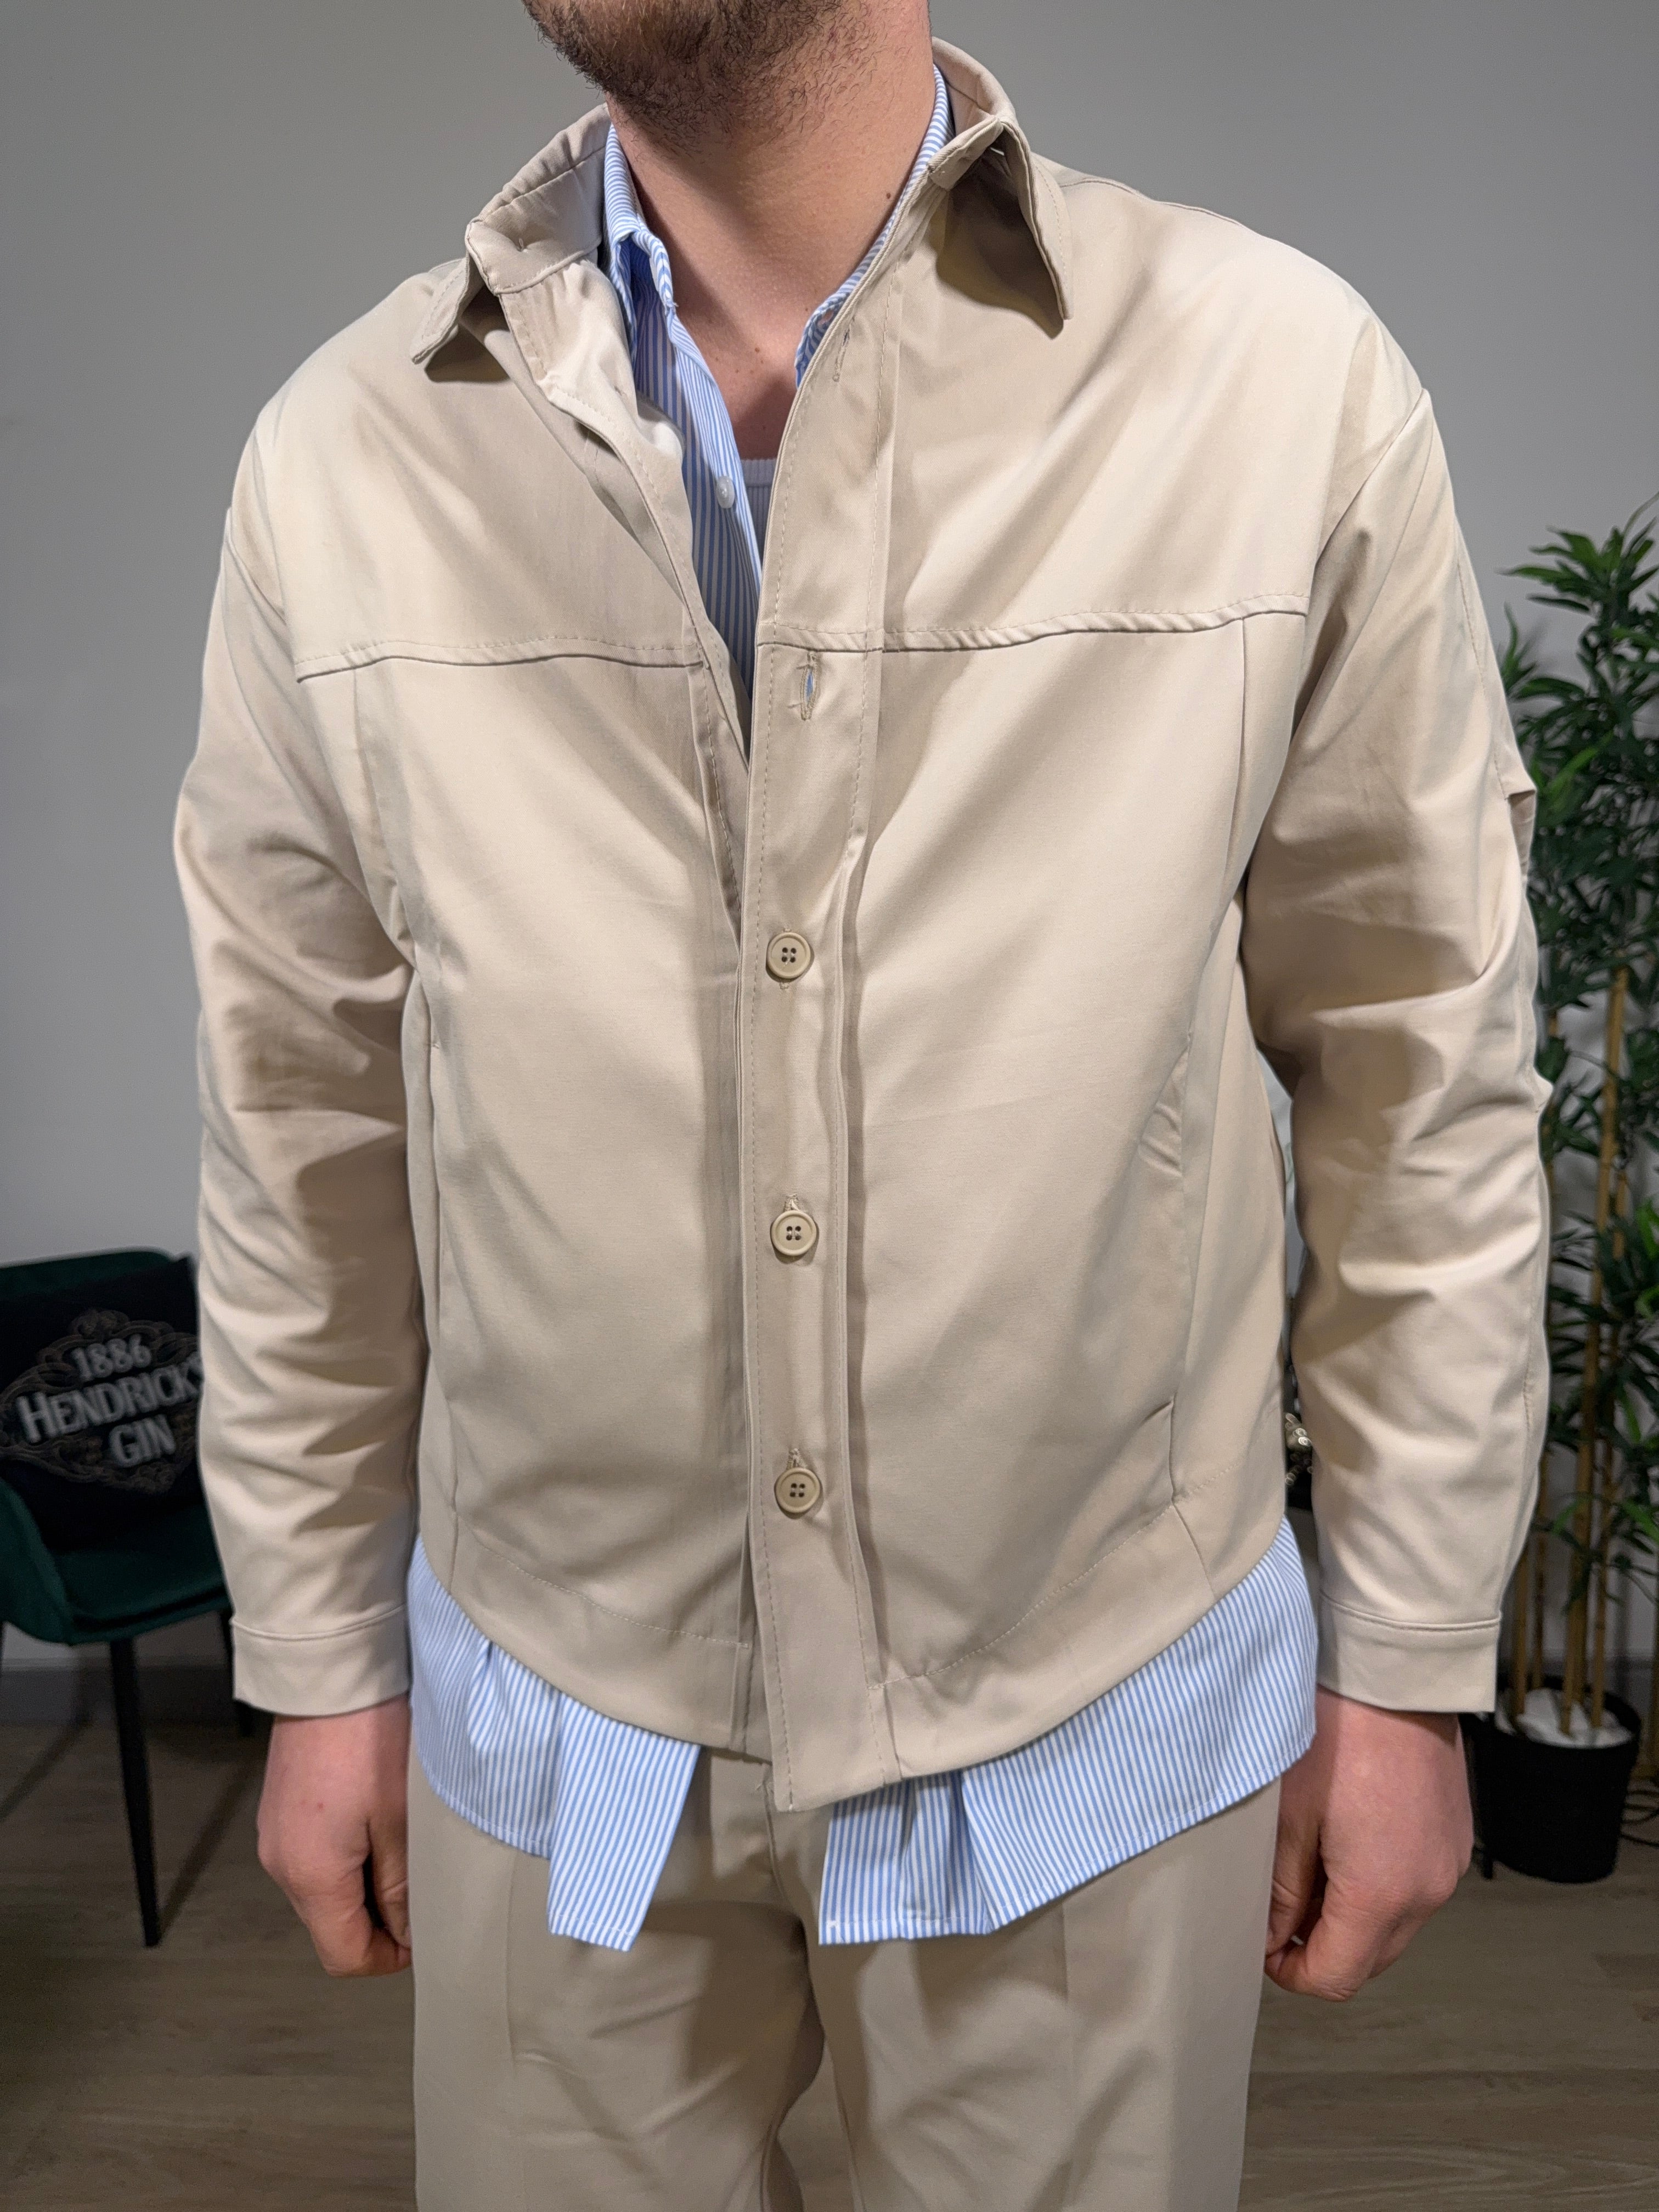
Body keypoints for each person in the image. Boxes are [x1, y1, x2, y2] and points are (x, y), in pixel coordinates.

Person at [173, 5, 1548, 2208]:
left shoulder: (1277, 383)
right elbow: (298, 1117)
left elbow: (1417, 1057)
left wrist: (1405, 1656)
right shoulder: (345, 456)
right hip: (555, 1709)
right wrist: (319, 1650)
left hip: (1094, 1701)